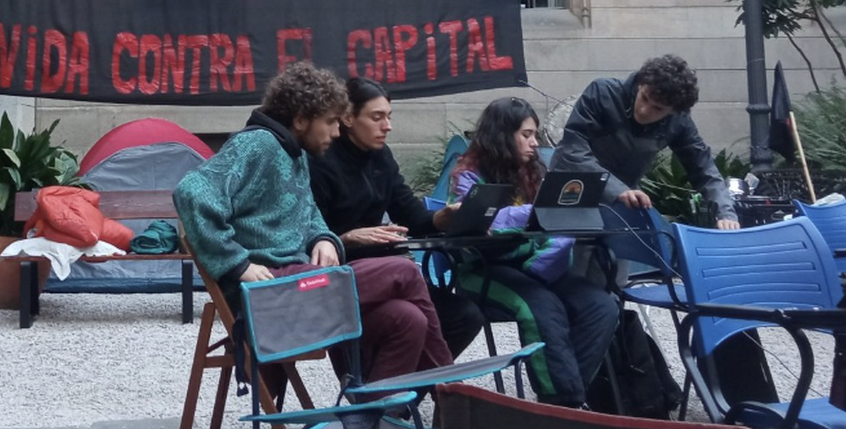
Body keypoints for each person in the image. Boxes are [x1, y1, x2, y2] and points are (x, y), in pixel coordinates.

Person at [174, 61, 452, 386]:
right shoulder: (258, 144)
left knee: (408, 319)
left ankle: (371, 420)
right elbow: (191, 192)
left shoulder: (297, 154)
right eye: (331, 122)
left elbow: (309, 215)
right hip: (270, 295)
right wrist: (237, 265)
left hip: (298, 288)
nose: (337, 132)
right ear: (301, 119)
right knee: (403, 271)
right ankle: (451, 391)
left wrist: (324, 238)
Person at [449, 96, 618, 408]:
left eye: (535, 135)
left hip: (536, 266)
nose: (534, 143)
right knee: (541, 306)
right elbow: (480, 221)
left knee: (602, 306)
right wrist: (534, 212)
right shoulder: (468, 175)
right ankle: (562, 400)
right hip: (482, 269)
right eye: (526, 135)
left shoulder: (535, 173)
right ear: (502, 135)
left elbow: (558, 227)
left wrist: (544, 262)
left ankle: (566, 400)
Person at [309, 76, 485, 358]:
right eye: (377, 117)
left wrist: (444, 217)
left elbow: (413, 217)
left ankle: (404, 397)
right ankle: (428, 387)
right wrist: (346, 238)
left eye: (389, 117)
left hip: (387, 268)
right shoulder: (320, 159)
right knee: (407, 316)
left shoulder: (381, 157)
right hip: (341, 275)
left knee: (464, 315)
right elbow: (307, 233)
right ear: (347, 118)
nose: (387, 126)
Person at [552, 54, 740, 229]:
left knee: (628, 256)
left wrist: (726, 213)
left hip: (622, 199)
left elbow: (703, 167)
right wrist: (616, 189)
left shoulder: (679, 121)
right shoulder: (602, 92)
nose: (644, 110)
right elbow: (572, 150)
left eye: (657, 109)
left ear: (673, 111)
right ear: (640, 83)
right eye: (644, 98)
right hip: (571, 190)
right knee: (565, 257)